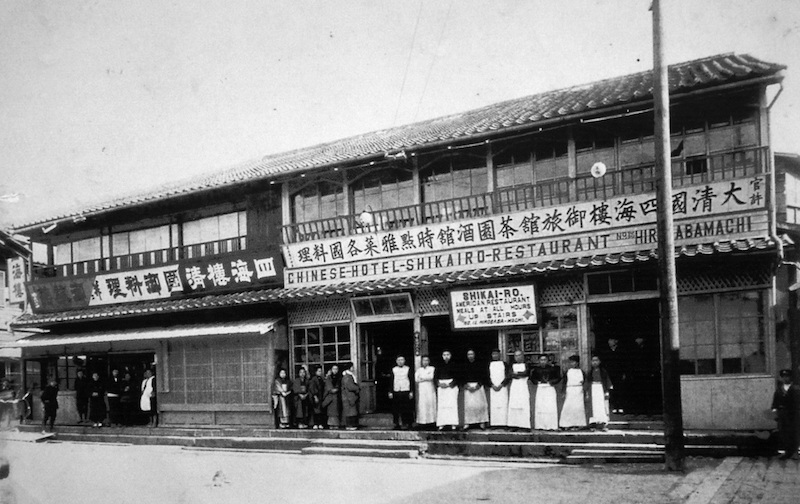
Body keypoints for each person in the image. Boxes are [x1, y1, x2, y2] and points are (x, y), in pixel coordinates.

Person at [771, 369, 799, 460]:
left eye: (787, 376)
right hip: (782, 415)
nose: (785, 378)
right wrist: (775, 412)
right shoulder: (779, 390)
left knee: (794, 433)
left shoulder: (796, 389)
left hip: (793, 414)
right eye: (783, 377)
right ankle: (786, 452)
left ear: (790, 377)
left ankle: (795, 452)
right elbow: (775, 402)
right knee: (783, 433)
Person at [531, 354, 560, 430]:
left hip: (550, 388)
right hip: (540, 388)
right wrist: (537, 382)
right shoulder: (536, 370)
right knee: (540, 407)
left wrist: (551, 382)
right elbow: (532, 379)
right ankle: (540, 425)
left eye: (544, 360)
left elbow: (558, 378)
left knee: (550, 406)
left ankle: (551, 426)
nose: (543, 361)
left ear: (547, 361)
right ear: (539, 361)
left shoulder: (553, 369)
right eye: (541, 360)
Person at [461, 349, 489, 430]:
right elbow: (461, 377)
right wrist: (466, 386)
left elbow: (484, 375)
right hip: (468, 387)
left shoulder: (480, 364)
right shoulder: (464, 365)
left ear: (474, 355)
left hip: (478, 387)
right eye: (469, 354)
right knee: (469, 406)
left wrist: (478, 385)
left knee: (480, 405)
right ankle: (468, 423)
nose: (470, 356)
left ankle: (482, 422)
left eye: (472, 354)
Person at [559, 355, 587, 430]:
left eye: (574, 362)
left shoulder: (582, 372)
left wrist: (585, 391)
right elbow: (564, 382)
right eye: (571, 362)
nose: (572, 364)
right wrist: (563, 391)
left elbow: (585, 382)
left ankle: (578, 424)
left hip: (578, 390)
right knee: (568, 407)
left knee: (578, 407)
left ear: (577, 363)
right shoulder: (567, 372)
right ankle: (566, 424)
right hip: (570, 390)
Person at [586, 354, 612, 430]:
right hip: (593, 390)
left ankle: (603, 424)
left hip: (601, 389)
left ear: (599, 361)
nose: (594, 362)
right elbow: (587, 383)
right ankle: (593, 424)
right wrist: (587, 392)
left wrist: (607, 391)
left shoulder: (603, 372)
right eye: (593, 361)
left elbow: (607, 382)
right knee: (594, 407)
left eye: (596, 360)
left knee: (601, 406)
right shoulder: (590, 372)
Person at [435, 349, 459, 431]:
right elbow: (435, 377)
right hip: (442, 386)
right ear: (442, 356)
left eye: (448, 355)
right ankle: (442, 424)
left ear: (450, 355)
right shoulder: (438, 365)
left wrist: (450, 384)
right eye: (444, 355)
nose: (446, 356)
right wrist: (439, 383)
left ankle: (453, 424)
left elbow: (458, 376)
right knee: (442, 406)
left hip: (451, 386)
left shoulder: (455, 364)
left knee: (452, 405)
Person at [507, 350, 532, 430]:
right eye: (516, 356)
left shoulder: (527, 364)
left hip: (523, 386)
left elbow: (526, 373)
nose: (518, 357)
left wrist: (517, 374)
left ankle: (525, 425)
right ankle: (514, 425)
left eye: (519, 355)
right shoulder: (512, 365)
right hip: (514, 387)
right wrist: (518, 374)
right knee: (514, 405)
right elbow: (510, 374)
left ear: (523, 356)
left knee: (524, 404)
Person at [600, 337, 625, 413]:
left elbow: (623, 363)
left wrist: (624, 373)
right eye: (609, 340)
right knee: (611, 390)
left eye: (611, 340)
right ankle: (614, 406)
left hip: (619, 373)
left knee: (619, 389)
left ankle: (620, 406)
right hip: (610, 373)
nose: (609, 342)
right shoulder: (606, 351)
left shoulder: (620, 351)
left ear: (616, 341)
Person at [488, 349, 511, 428]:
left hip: (502, 388)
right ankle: (494, 424)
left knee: (503, 404)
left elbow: (508, 375)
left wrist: (502, 384)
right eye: (493, 354)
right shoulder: (489, 364)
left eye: (496, 354)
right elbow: (487, 376)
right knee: (494, 406)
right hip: (493, 388)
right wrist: (491, 385)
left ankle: (504, 423)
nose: (495, 355)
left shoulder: (504, 364)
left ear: (499, 355)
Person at [390, 355, 413, 430]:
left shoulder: (408, 369)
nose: (400, 361)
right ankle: (397, 424)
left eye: (402, 360)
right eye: (399, 360)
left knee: (407, 408)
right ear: (396, 361)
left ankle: (408, 423)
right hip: (396, 390)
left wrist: (411, 391)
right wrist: (390, 391)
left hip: (406, 390)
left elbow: (411, 380)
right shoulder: (394, 369)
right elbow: (391, 380)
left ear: (404, 361)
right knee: (396, 408)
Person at [414, 355, 436, 428]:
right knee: (422, 405)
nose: (425, 362)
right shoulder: (419, 370)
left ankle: (432, 422)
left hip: (430, 389)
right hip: (422, 389)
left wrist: (423, 378)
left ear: (429, 361)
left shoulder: (432, 368)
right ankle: (422, 422)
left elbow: (431, 377)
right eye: (424, 360)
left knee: (430, 404)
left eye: (427, 360)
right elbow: (416, 379)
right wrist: (426, 378)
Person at [340, 362, 360, 430]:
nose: (353, 368)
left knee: (351, 411)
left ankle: (350, 425)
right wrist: (357, 388)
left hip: (349, 396)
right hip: (348, 397)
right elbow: (350, 386)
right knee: (350, 412)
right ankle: (350, 425)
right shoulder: (347, 377)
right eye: (352, 367)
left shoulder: (347, 376)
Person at [322, 364, 341, 429]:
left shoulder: (339, 377)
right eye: (334, 369)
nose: (335, 370)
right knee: (331, 412)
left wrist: (337, 389)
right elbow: (329, 387)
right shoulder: (329, 378)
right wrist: (333, 390)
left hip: (337, 397)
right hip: (330, 397)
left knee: (336, 411)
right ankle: (331, 424)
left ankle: (336, 424)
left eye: (336, 369)